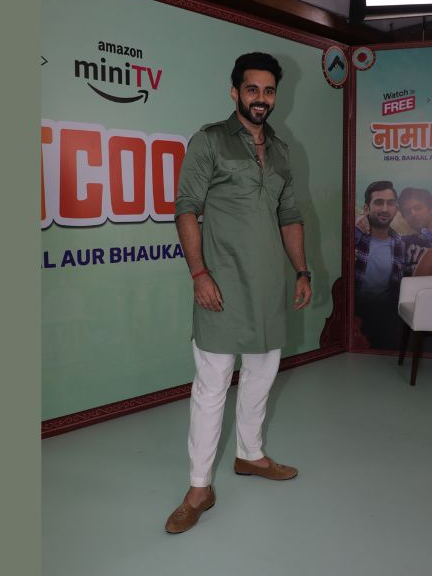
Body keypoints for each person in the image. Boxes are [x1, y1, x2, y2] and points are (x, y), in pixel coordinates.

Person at [165, 52, 312, 534]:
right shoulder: (209, 141)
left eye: (269, 91)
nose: (261, 99)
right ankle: (198, 487)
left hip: (270, 285)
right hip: (221, 284)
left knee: (262, 375)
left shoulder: (282, 151)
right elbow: (186, 208)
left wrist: (302, 271)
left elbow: (290, 216)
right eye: (252, 89)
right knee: (211, 387)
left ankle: (250, 454)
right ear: (235, 92)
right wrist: (199, 273)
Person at [354, 181, 429, 348]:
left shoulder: (401, 244)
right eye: (379, 202)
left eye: (390, 203)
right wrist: (357, 224)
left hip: (385, 319)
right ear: (366, 208)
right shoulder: (355, 237)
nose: (385, 209)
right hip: (353, 314)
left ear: (396, 209)